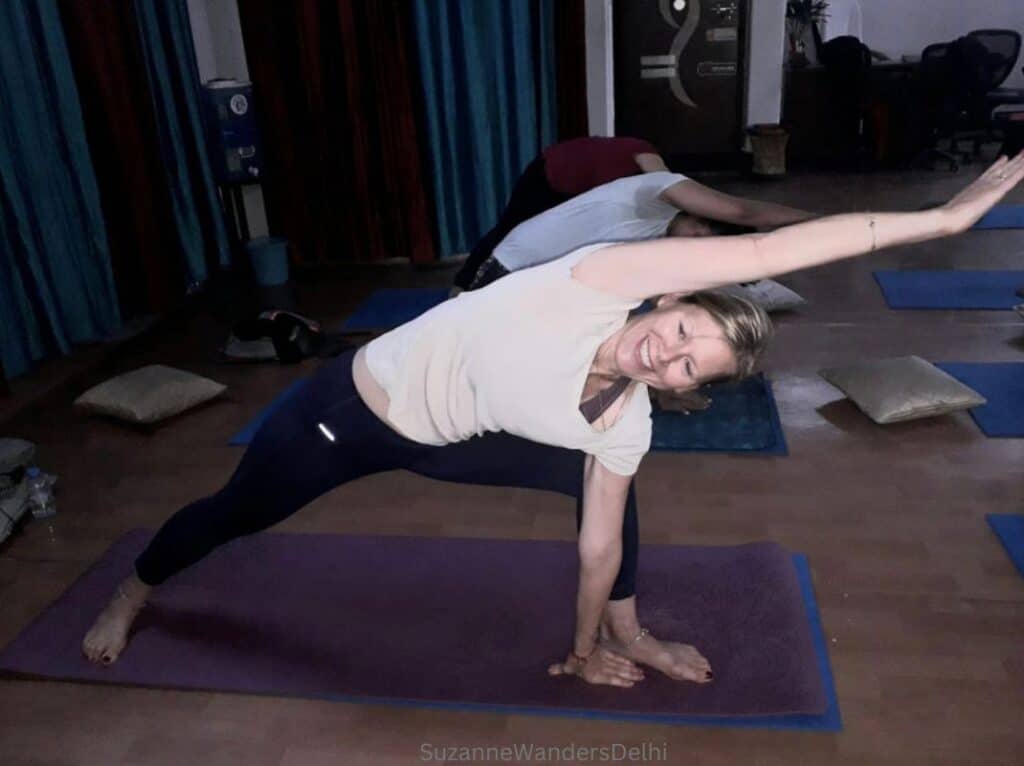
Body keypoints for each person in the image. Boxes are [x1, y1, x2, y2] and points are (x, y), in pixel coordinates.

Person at [83, 153, 1024, 690]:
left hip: (455, 440)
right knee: (240, 512)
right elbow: (778, 243)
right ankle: (138, 584)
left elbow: (594, 549)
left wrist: (581, 648)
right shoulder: (601, 281)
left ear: (693, 382)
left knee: (609, 488)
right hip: (347, 414)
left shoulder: (626, 420)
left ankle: (627, 633)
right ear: (667, 303)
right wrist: (939, 223)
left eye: (695, 363)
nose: (674, 353)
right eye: (685, 328)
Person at [454, 136, 815, 292]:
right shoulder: (655, 187)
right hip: (547, 184)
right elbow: (741, 210)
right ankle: (464, 287)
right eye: (702, 231)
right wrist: (819, 224)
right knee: (508, 228)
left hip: (529, 272)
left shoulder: (655, 228)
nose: (696, 242)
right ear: (697, 213)